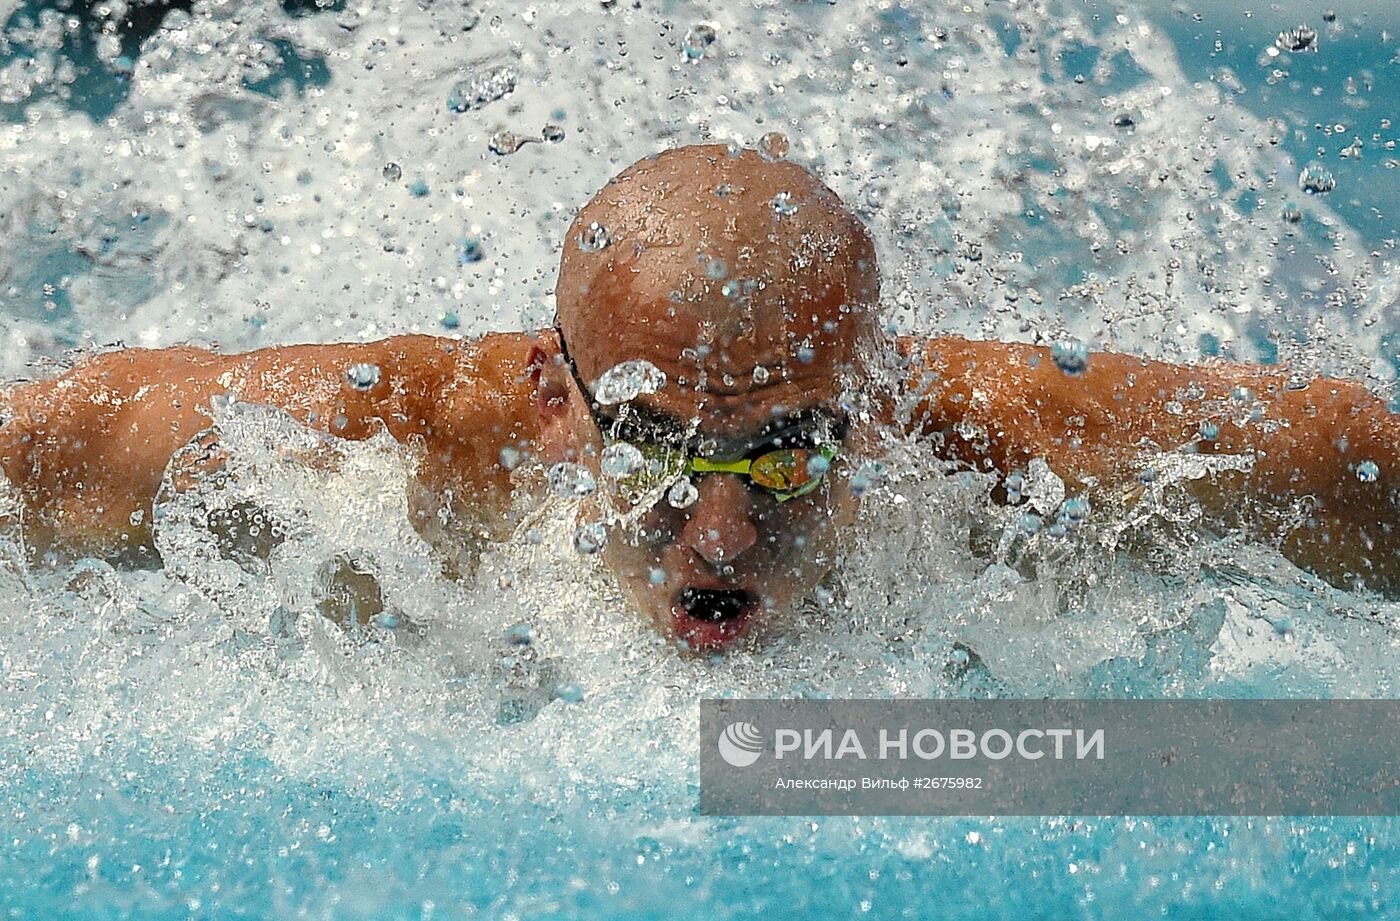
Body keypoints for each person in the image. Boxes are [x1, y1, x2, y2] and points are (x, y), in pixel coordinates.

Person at [1, 143, 1397, 653]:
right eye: (659, 448)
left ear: (883, 402)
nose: (719, 536)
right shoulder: (365, 449)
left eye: (791, 451)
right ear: (557, 401)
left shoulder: (1048, 447)